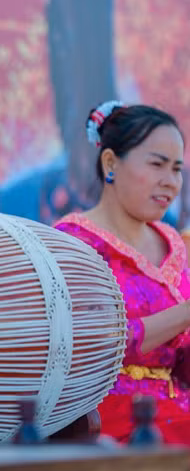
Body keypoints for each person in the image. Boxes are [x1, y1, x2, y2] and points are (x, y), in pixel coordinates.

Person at [55, 100, 190, 444]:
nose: (171, 183)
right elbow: (94, 347)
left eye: (177, 169)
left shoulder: (174, 243)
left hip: (178, 410)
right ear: (111, 162)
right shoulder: (72, 244)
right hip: (107, 421)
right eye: (157, 165)